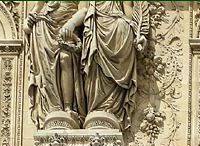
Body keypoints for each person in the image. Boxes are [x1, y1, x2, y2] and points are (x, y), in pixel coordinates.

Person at [60, 1, 146, 129]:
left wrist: (138, 36)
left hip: (119, 29)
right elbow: (83, 10)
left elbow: (128, 13)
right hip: (96, 29)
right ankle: (96, 109)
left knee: (119, 27)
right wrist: (71, 23)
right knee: (95, 69)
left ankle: (109, 110)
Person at [24, 1, 86, 128]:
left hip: (67, 26)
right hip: (43, 28)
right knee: (47, 71)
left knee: (65, 58)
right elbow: (35, 11)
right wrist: (28, 23)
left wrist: (72, 23)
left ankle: (68, 108)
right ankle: (54, 107)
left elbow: (85, 10)